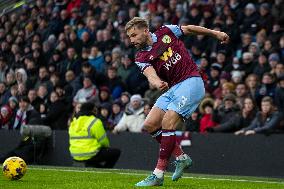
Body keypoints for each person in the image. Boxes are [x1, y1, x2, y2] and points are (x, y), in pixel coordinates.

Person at [125, 17, 229, 186]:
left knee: (167, 122)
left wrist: (215, 33)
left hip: (191, 81)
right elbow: (150, 74)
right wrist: (157, 82)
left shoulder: (166, 31)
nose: (132, 40)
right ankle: (181, 157)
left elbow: (189, 29)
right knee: (150, 125)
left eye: (134, 35)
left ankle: (158, 174)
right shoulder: (141, 57)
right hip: (173, 88)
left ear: (145, 30)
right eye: (129, 37)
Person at [69, 102, 121, 168]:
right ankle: (105, 173)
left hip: (75, 155)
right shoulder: (95, 121)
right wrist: (107, 147)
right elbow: (103, 141)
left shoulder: (74, 122)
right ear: (93, 110)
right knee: (116, 152)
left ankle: (96, 168)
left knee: (94, 160)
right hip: (90, 154)